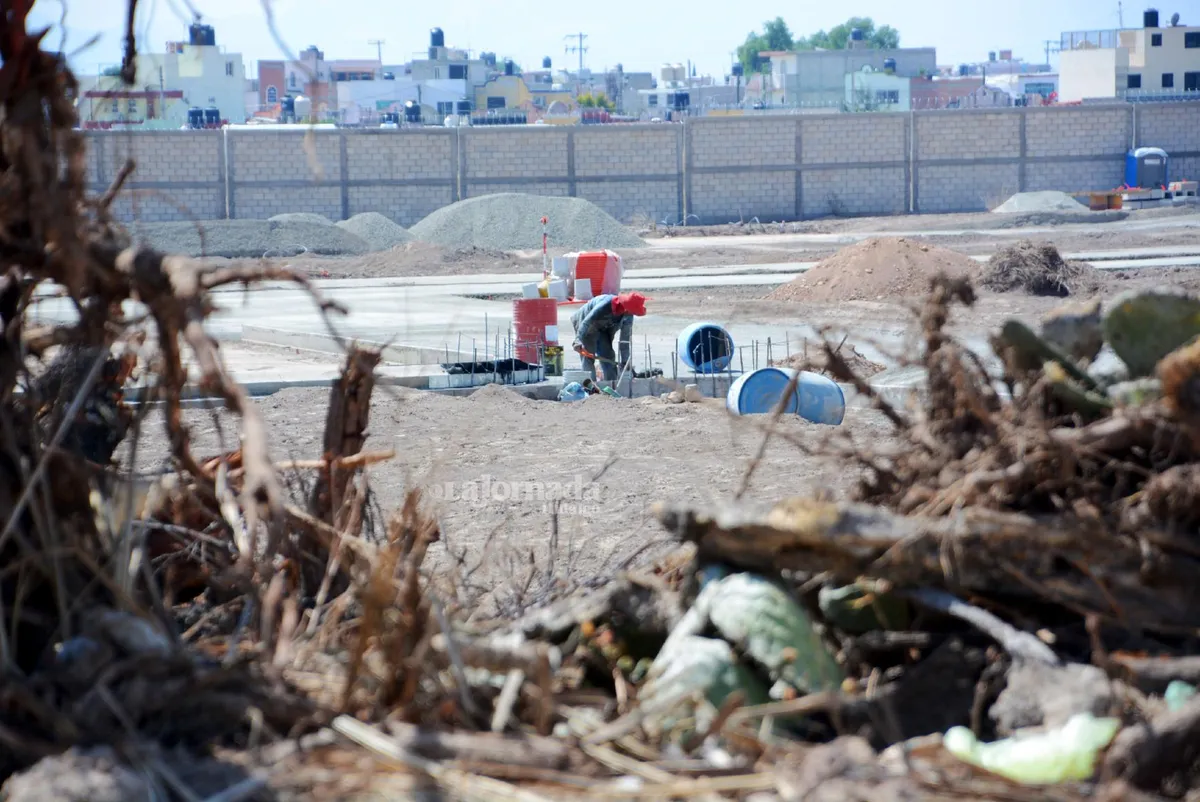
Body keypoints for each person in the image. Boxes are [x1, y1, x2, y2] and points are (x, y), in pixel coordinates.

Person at [570, 292, 648, 381]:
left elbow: (625, 340)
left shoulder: (629, 316)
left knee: (608, 355)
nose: (631, 313)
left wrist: (626, 362)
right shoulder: (605, 305)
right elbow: (586, 323)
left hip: (603, 327)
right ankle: (591, 388)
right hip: (586, 324)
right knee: (588, 355)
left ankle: (611, 386)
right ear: (625, 307)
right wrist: (577, 341)